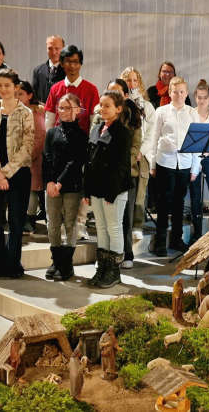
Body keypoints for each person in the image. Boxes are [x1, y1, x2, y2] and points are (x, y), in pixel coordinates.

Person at [0, 68, 34, 279]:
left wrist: (7, 172)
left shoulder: (25, 113)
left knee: (15, 220)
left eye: (7, 85)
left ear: (16, 87)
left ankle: (13, 265)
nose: (3, 89)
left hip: (18, 173)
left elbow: (27, 146)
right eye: (0, 85)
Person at [146, 76, 200, 257]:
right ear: (169, 93)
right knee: (163, 204)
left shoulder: (193, 113)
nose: (178, 95)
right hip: (165, 162)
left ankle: (177, 240)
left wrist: (195, 168)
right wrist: (152, 163)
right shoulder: (161, 112)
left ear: (186, 93)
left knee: (179, 204)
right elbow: (153, 139)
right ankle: (160, 242)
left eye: (182, 91)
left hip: (184, 164)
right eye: (175, 91)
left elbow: (197, 143)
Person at [84, 90, 132, 288]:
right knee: (101, 228)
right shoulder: (96, 129)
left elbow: (121, 166)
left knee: (114, 228)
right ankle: (102, 269)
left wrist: (112, 192)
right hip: (96, 188)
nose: (102, 109)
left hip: (114, 190)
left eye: (107, 106)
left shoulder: (122, 133)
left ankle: (113, 271)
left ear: (118, 109)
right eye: (101, 105)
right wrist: (87, 190)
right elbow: (90, 161)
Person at [43, 93, 88, 282]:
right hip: (52, 186)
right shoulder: (52, 132)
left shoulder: (81, 134)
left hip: (71, 185)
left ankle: (67, 264)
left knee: (70, 224)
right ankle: (56, 261)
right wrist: (49, 182)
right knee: (52, 224)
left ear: (77, 110)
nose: (63, 111)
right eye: (60, 108)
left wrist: (60, 182)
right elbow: (46, 158)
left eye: (68, 107)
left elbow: (75, 161)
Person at [99, 79, 143, 269]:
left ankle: (127, 253)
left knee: (125, 216)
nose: (113, 94)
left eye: (117, 92)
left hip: (127, 172)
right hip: (104, 173)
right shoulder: (101, 113)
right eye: (110, 91)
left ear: (125, 96)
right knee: (105, 218)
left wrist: (125, 164)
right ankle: (105, 255)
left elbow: (135, 146)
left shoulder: (133, 116)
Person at [121, 67, 156, 233]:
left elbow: (151, 133)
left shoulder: (147, 106)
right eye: (128, 80)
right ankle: (122, 224)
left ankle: (136, 225)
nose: (132, 84)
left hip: (142, 154)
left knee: (139, 195)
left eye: (135, 80)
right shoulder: (118, 104)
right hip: (124, 153)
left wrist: (141, 150)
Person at [188, 80, 209, 243]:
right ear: (195, 97)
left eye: (205, 98)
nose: (202, 101)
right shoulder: (190, 114)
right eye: (199, 97)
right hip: (193, 158)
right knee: (196, 197)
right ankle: (196, 233)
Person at [43, 45, 99, 135]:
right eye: (68, 62)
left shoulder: (91, 90)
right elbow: (49, 119)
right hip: (58, 140)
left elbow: (94, 120)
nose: (72, 66)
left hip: (82, 140)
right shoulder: (55, 89)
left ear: (80, 64)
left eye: (76, 62)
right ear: (61, 64)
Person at [17, 81, 47, 235]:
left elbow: (40, 136)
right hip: (19, 157)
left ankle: (30, 220)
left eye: (20, 94)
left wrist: (28, 156)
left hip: (34, 158)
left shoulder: (37, 110)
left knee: (33, 189)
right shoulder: (14, 110)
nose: (17, 97)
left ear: (30, 95)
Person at [31, 35, 66, 105]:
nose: (53, 52)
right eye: (50, 48)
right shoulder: (38, 70)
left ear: (63, 49)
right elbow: (33, 95)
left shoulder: (69, 71)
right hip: (42, 113)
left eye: (57, 48)